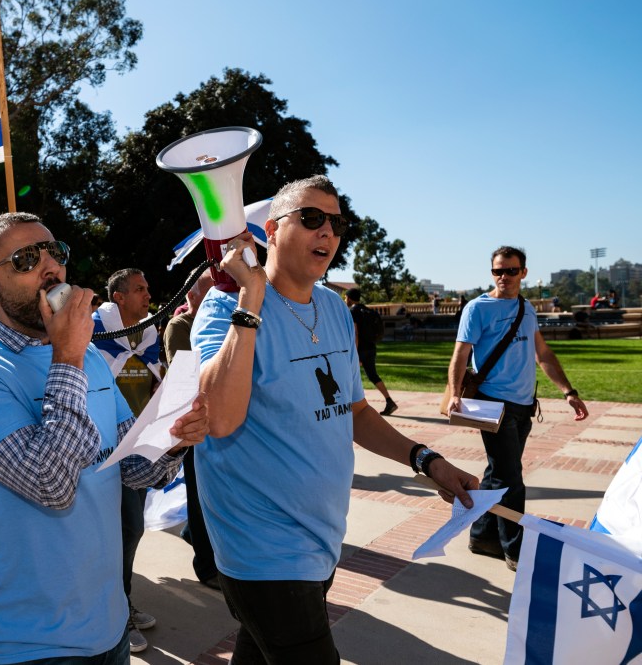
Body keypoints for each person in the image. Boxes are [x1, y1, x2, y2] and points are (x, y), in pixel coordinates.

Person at [193, 176, 478, 663]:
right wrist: (251, 299)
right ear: (272, 230)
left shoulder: (332, 307)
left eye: (336, 222)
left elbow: (356, 412)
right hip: (261, 548)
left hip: (322, 536)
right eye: (311, 218)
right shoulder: (225, 307)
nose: (327, 231)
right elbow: (217, 418)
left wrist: (426, 460)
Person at [0, 212, 208, 663]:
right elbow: (51, 486)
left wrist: (174, 438)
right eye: (24, 259)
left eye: (54, 252)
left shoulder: (89, 357)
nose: (49, 267)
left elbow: (130, 466)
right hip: (31, 642)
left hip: (109, 625)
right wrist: (68, 356)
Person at [446, 246, 588, 571]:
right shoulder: (477, 308)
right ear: (491, 273)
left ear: (523, 272)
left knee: (498, 473)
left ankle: (482, 535)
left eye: (511, 271)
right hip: (493, 405)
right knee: (511, 477)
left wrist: (569, 391)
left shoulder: (527, 308)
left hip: (524, 406)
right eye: (498, 271)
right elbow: (460, 355)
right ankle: (515, 550)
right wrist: (455, 394)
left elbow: (543, 354)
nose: (503, 277)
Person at [92, 267, 164, 652]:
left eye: (147, 287)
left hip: (138, 445)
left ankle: (120, 603)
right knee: (125, 530)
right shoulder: (93, 331)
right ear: (118, 297)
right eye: (139, 289)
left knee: (129, 530)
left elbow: (153, 379)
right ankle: (116, 612)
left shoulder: (148, 333)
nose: (148, 294)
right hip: (103, 450)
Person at [162, 269, 219, 591]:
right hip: (195, 424)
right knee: (199, 497)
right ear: (191, 297)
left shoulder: (221, 321)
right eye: (208, 293)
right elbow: (186, 376)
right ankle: (207, 566)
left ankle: (193, 535)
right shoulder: (180, 327)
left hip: (221, 422)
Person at [345, 288, 398, 416]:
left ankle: (350, 407)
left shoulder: (353, 311)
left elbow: (355, 333)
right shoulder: (367, 310)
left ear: (349, 298)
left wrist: (355, 355)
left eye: (346, 297)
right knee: (373, 376)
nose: (345, 300)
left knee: (349, 376)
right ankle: (389, 401)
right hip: (371, 347)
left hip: (360, 350)